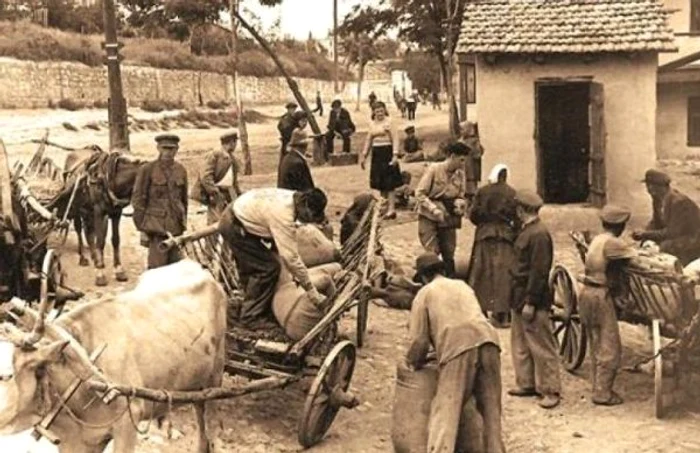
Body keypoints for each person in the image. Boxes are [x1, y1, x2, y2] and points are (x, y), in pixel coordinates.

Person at [406, 252, 505, 453]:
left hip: (458, 347)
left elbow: (419, 341)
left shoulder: (425, 293)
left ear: (424, 277)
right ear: (442, 270)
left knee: (445, 412)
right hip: (489, 340)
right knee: (491, 412)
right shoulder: (462, 285)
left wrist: (413, 362)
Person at [218, 187, 328, 329]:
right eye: (310, 216)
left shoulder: (293, 198)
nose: (308, 221)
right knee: (268, 268)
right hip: (234, 225)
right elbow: (291, 258)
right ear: (305, 206)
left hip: (242, 215)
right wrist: (312, 291)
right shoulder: (284, 215)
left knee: (256, 265)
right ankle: (251, 317)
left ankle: (250, 305)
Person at [508, 189, 562, 409]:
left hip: (532, 299)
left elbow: (539, 272)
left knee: (541, 346)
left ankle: (550, 390)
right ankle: (527, 383)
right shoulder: (527, 231)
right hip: (518, 295)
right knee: (520, 342)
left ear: (522, 210)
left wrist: (531, 302)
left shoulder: (539, 235)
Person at [580, 205, 637, 406]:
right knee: (610, 346)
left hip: (587, 293)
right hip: (600, 296)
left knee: (596, 342)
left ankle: (598, 386)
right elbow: (636, 260)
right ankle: (602, 393)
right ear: (620, 226)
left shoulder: (598, 239)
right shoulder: (613, 243)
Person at [467, 164, 518, 327]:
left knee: (481, 272)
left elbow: (473, 215)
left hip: (484, 234)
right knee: (503, 274)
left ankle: (479, 310)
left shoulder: (482, 191)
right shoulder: (512, 193)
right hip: (505, 236)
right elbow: (517, 217)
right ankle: (501, 314)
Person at [132, 134, 188, 269]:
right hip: (156, 227)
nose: (168, 152)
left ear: (177, 149)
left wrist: (183, 222)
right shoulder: (147, 169)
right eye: (165, 148)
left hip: (175, 226)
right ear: (158, 148)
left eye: (172, 149)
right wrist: (142, 228)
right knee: (157, 269)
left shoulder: (180, 170)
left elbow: (183, 199)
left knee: (175, 268)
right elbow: (138, 200)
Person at [415, 141, 469, 277]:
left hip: (448, 217)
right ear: (452, 156)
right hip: (429, 216)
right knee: (432, 252)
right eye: (461, 160)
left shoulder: (460, 174)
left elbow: (461, 194)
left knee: (449, 251)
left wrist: (460, 204)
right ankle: (428, 280)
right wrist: (433, 209)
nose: (463, 164)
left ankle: (449, 279)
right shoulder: (434, 169)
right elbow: (419, 193)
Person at [632, 169, 700, 265]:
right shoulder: (657, 199)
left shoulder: (679, 202)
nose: (648, 189)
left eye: (649, 186)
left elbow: (673, 232)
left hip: (691, 240)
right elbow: (655, 222)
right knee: (647, 246)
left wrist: (645, 234)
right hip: (673, 237)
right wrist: (644, 234)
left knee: (664, 247)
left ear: (655, 187)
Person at [190, 130, 242, 225]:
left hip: (229, 192)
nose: (235, 145)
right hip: (216, 193)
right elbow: (206, 176)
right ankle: (211, 240)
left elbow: (233, 180)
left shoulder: (232, 158)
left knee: (230, 220)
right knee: (215, 221)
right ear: (232, 142)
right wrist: (214, 192)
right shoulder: (215, 155)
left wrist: (239, 194)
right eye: (235, 142)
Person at [460, 121, 485, 206]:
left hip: (471, 170)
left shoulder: (474, 142)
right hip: (463, 169)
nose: (461, 132)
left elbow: (478, 155)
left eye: (463, 129)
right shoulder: (461, 141)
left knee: (471, 190)